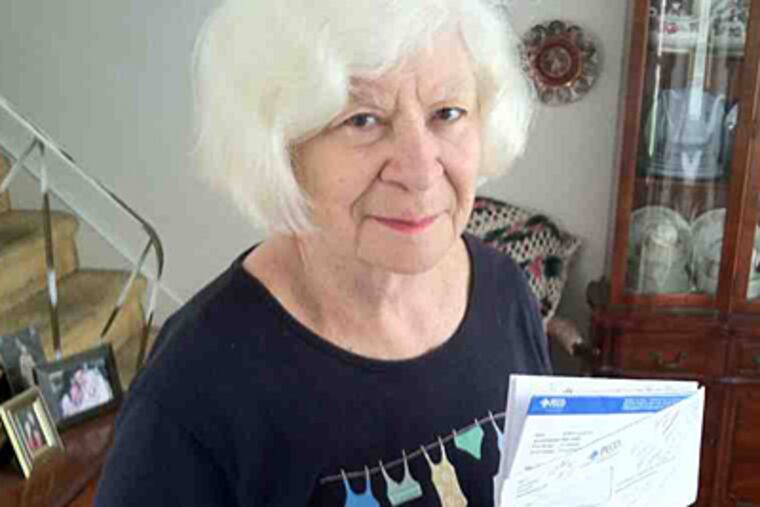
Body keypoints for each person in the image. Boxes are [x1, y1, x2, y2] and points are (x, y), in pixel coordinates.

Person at [96, 0, 550, 505]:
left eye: (447, 113)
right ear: (282, 151)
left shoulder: (504, 290)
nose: (421, 171)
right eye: (363, 120)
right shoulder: (192, 388)